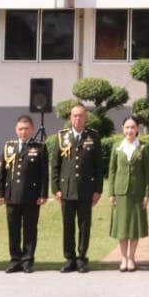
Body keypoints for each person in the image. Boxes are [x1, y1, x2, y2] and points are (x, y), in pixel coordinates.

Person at [51, 103, 103, 273]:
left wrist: (98, 190)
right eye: (75, 115)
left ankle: (81, 258)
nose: (78, 118)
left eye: (81, 115)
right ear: (70, 117)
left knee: (84, 226)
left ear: (85, 117)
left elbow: (99, 166)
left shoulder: (93, 137)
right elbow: (55, 166)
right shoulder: (62, 137)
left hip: (86, 189)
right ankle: (69, 259)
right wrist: (56, 189)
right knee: (68, 226)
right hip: (66, 190)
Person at [106, 115, 149, 272]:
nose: (130, 130)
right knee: (122, 227)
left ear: (137, 129)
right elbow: (112, 171)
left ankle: (132, 257)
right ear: (123, 129)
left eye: (133, 127)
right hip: (120, 192)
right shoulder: (117, 147)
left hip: (137, 192)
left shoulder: (143, 147)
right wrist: (111, 193)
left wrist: (147, 194)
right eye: (127, 127)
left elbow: (148, 173)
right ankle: (123, 258)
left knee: (134, 227)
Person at [0, 115, 48, 274]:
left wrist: (43, 194)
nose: (23, 132)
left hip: (31, 196)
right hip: (11, 195)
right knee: (13, 229)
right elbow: (2, 173)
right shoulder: (8, 146)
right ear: (16, 130)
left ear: (32, 130)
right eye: (20, 129)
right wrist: (0, 194)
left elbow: (43, 174)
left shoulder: (39, 147)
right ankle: (15, 260)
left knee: (30, 229)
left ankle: (27, 260)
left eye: (26, 129)